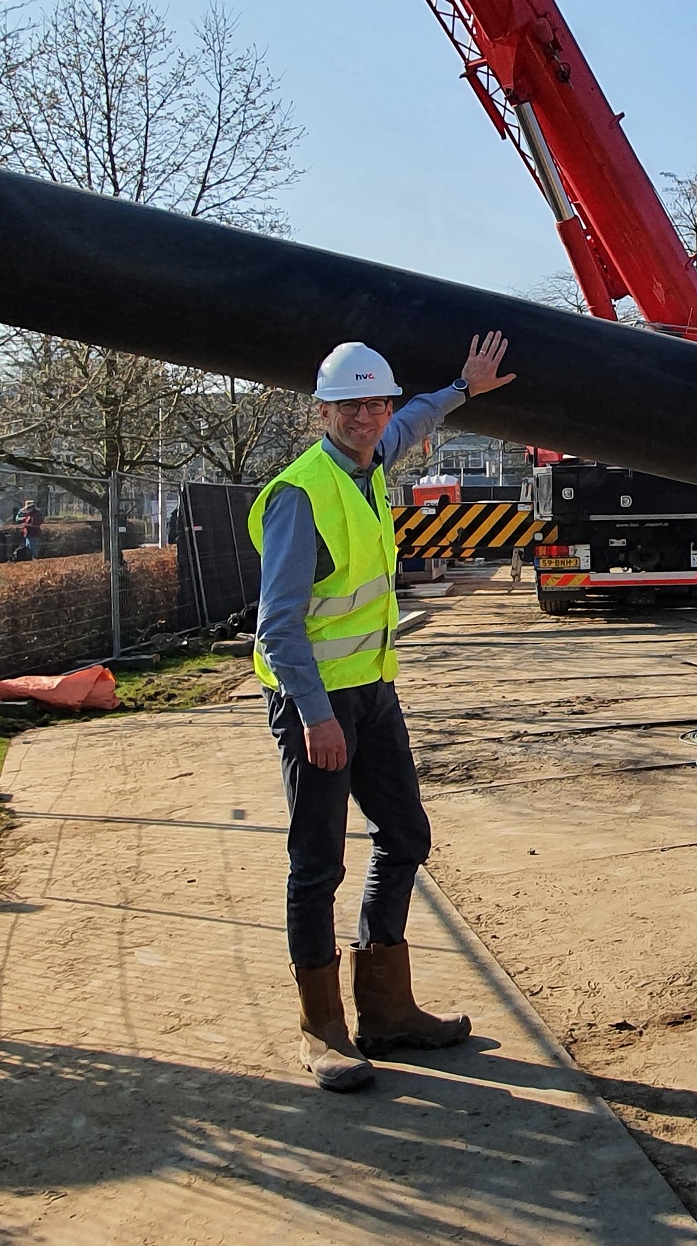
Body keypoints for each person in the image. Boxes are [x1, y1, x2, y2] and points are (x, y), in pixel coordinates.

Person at [249, 332, 515, 1093]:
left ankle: (387, 1011)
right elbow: (279, 623)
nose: (367, 417)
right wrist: (314, 714)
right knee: (317, 862)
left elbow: (418, 419)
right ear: (323, 411)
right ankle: (322, 1031)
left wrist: (464, 386)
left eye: (376, 403)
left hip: (372, 689)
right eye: (351, 406)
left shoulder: (371, 457)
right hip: (315, 703)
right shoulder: (302, 494)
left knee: (404, 836)